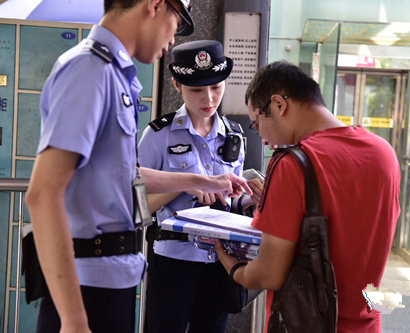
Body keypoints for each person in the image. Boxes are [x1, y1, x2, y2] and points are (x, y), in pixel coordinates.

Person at [25, 1, 251, 332]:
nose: (174, 38)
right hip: (88, 284)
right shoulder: (91, 70)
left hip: (112, 275)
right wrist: (74, 320)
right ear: (156, 5)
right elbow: (43, 194)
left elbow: (123, 175)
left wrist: (207, 182)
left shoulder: (113, 74)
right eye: (179, 20)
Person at [215, 61, 401, 333]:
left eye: (257, 124)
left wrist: (235, 270)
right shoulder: (384, 153)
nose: (263, 139)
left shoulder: (292, 164)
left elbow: (271, 273)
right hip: (366, 324)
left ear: (278, 105)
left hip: (304, 323)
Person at [138, 40, 262, 333]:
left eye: (216, 87)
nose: (209, 98)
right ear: (177, 85)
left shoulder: (234, 135)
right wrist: (185, 185)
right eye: (196, 89)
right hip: (173, 260)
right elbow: (137, 205)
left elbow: (228, 206)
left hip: (221, 260)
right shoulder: (158, 135)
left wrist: (247, 197)